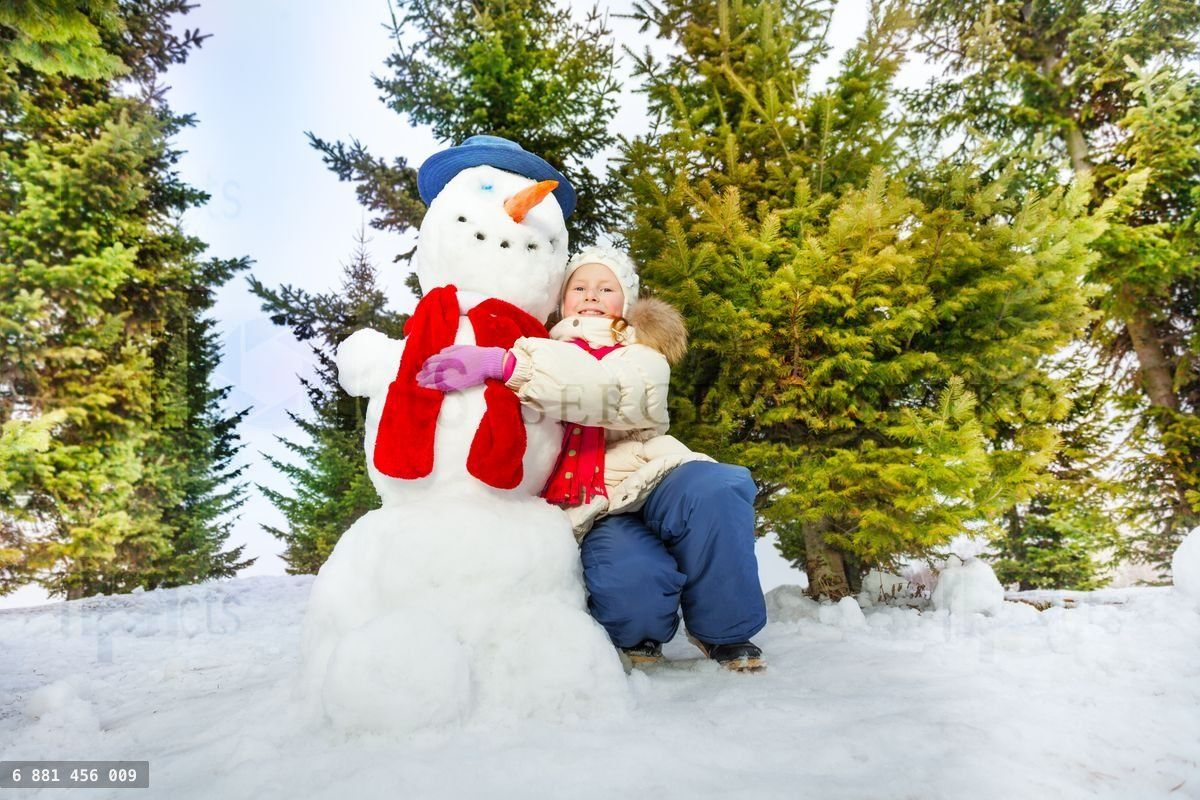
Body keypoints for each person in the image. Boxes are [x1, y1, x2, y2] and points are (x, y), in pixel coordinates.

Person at [417, 246, 768, 672]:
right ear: (562, 300)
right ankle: (642, 636)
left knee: (716, 488)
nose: (591, 296)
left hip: (654, 473)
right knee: (630, 579)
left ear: (626, 301)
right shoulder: (535, 347)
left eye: (606, 288)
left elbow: (609, 395)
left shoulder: (643, 351)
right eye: (579, 287)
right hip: (594, 505)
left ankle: (725, 634)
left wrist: (507, 367)